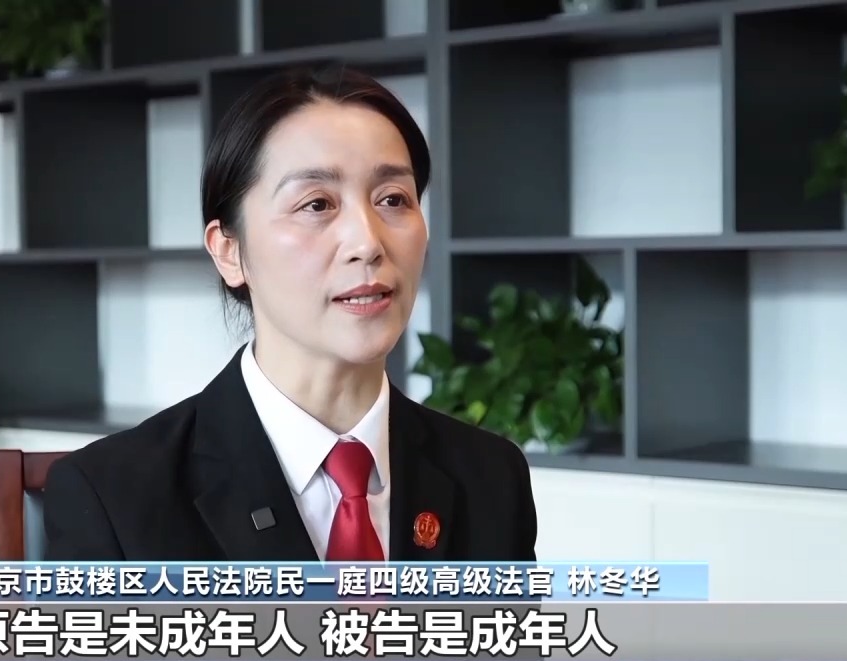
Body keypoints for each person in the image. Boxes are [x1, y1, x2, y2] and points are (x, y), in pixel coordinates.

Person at [44, 65, 537, 562]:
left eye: (393, 199)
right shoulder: (112, 499)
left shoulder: (492, 478)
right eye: (317, 204)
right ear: (229, 251)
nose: (367, 242)